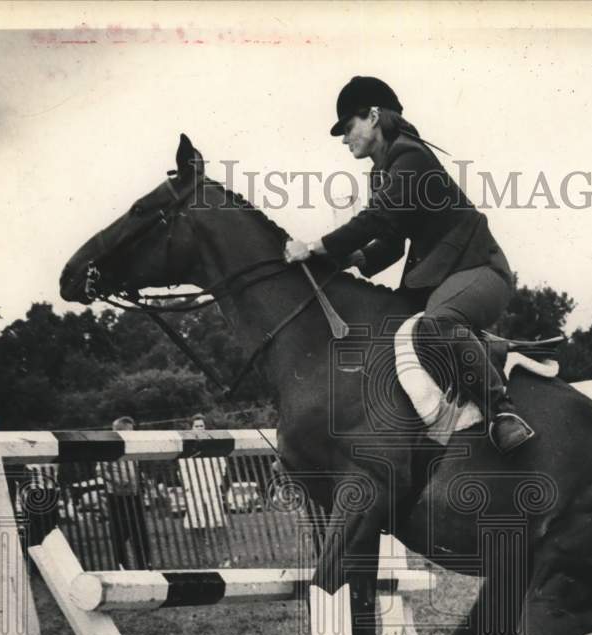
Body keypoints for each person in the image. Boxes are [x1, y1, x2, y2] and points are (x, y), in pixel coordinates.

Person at [282, 76, 532, 454]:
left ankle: (502, 412)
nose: (344, 138)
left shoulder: (411, 157)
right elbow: (393, 243)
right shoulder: (381, 172)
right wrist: (356, 258)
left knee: (438, 324)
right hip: (442, 279)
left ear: (374, 117)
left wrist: (315, 247)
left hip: (481, 271)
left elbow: (375, 220)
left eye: (348, 127)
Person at [97, 416, 152, 570]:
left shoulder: (132, 448)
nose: (133, 434)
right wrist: (117, 481)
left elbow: (136, 469)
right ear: (119, 432)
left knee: (140, 533)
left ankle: (144, 565)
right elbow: (100, 471)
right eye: (130, 432)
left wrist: (140, 479)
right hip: (116, 497)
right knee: (120, 534)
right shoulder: (108, 448)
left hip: (134, 496)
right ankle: (122, 565)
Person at [178, 414, 229, 540]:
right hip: (194, 487)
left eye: (202, 426)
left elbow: (221, 466)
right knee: (195, 516)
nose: (200, 428)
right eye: (196, 426)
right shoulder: (187, 447)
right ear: (191, 429)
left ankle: (218, 541)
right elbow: (181, 469)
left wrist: (215, 483)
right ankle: (200, 540)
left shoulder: (213, 446)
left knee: (217, 515)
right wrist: (189, 485)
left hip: (211, 486)